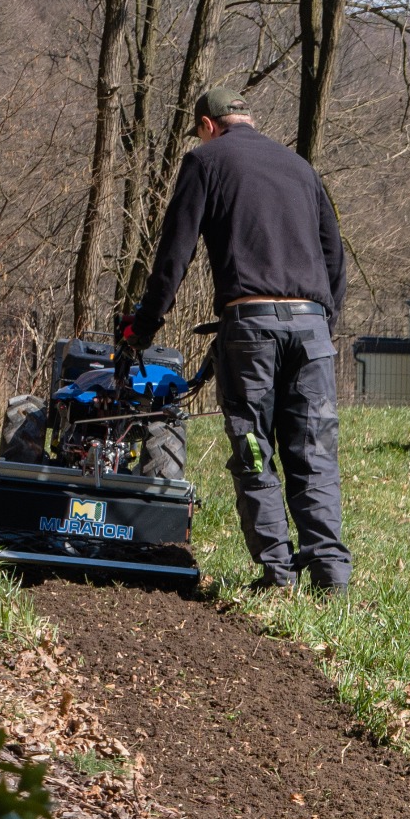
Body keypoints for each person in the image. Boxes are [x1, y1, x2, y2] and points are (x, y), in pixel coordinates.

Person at [126, 86, 352, 593]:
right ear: (245, 117)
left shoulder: (205, 161)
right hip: (312, 327)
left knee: (254, 450)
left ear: (208, 124)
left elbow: (173, 257)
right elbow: (335, 258)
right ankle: (331, 578)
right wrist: (322, 323)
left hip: (250, 328)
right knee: (313, 451)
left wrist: (143, 328)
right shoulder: (300, 168)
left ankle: (278, 576)